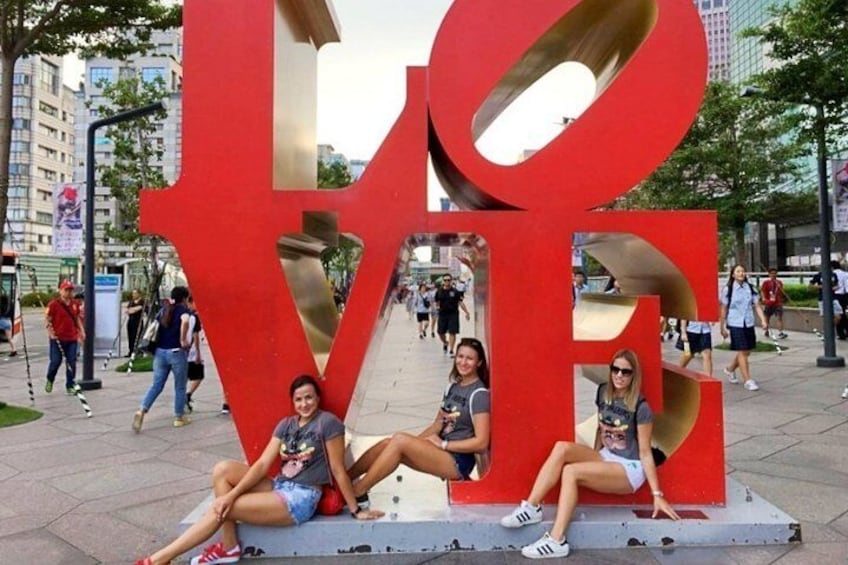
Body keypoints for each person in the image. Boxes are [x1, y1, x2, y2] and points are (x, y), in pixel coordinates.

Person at [134, 374, 383, 565]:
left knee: (223, 508)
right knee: (222, 470)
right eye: (298, 399)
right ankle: (229, 546)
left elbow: (338, 469)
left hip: (301, 497)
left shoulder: (327, 423)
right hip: (280, 485)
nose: (304, 403)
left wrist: (355, 510)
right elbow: (263, 464)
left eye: (309, 397)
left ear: (317, 398)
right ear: (292, 402)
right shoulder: (286, 425)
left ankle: (158, 559)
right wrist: (232, 493)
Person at [500, 349, 678, 559]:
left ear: (634, 375)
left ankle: (557, 540)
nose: (619, 375)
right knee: (561, 448)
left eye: (626, 372)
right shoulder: (603, 392)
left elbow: (646, 452)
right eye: (616, 369)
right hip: (606, 456)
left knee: (571, 472)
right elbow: (599, 427)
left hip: (629, 468)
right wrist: (594, 457)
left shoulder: (640, 406)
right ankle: (531, 508)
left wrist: (657, 495)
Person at [346, 337, 490, 508]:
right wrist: (415, 444)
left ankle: (357, 492)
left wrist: (444, 444)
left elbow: (481, 443)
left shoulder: (478, 394)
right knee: (389, 443)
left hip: (457, 461)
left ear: (479, 362)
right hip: (440, 451)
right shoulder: (452, 387)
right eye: (460, 356)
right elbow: (438, 424)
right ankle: (345, 480)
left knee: (399, 440)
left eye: (469, 358)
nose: (463, 362)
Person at [133, 286, 192, 431]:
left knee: (157, 385)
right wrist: (183, 339)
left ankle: (142, 409)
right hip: (176, 352)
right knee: (180, 386)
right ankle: (179, 417)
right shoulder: (183, 311)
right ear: (184, 298)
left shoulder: (164, 310)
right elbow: (185, 321)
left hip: (160, 353)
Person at [720, 265, 768, 391]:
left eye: (742, 271)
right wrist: (722, 326)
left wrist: (763, 320)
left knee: (747, 351)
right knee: (742, 351)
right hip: (735, 323)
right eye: (738, 271)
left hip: (748, 322)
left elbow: (757, 305)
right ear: (733, 275)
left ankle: (730, 369)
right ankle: (747, 380)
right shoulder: (728, 289)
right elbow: (724, 308)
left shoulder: (750, 288)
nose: (741, 273)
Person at [44, 280, 85, 393]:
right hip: (57, 338)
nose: (68, 292)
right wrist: (50, 333)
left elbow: (76, 318)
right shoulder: (54, 304)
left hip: (71, 338)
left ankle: (70, 385)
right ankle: (50, 379)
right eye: (66, 290)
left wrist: (81, 331)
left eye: (70, 290)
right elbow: (48, 320)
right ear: (60, 290)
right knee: (55, 362)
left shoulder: (74, 304)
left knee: (71, 362)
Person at [435, 275, 471, 356]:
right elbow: (436, 302)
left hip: (453, 314)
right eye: (445, 280)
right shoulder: (439, 291)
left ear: (451, 281)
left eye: (448, 280)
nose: (447, 282)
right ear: (443, 281)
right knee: (440, 332)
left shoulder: (455, 291)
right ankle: (445, 342)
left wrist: (467, 312)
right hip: (442, 314)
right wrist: (436, 308)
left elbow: (460, 302)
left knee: (452, 332)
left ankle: (451, 350)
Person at [185, 296, 204, 414]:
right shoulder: (194, 317)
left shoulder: (185, 315)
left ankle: (185, 397)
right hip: (191, 352)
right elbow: (196, 336)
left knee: (186, 377)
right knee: (199, 375)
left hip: (183, 351)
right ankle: (187, 395)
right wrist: (198, 353)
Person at [760, 268, 788, 339]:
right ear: (769, 274)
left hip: (778, 303)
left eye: (775, 273)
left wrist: (782, 292)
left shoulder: (779, 282)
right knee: (767, 317)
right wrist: (763, 298)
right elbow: (762, 291)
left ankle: (781, 333)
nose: (773, 274)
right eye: (772, 273)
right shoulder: (766, 282)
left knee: (779, 317)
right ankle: (766, 330)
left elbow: (781, 293)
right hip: (769, 303)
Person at [125, 289, 145, 357]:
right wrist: (133, 309)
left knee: (137, 336)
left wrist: (133, 309)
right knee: (130, 337)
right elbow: (128, 311)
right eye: (133, 293)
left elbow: (139, 308)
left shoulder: (142, 301)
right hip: (131, 321)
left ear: (139, 294)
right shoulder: (131, 302)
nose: (133, 295)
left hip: (138, 321)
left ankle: (138, 351)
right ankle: (131, 351)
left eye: (135, 293)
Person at [0, 292, 17, 357]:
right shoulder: (10, 305)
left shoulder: (1, 306)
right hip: (8, 321)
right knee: (9, 338)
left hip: (2, 321)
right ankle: (14, 350)